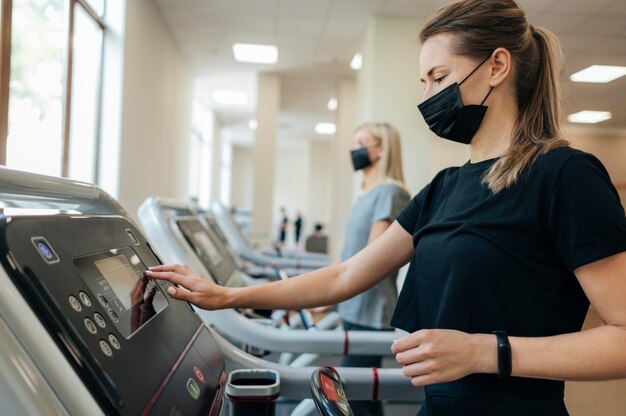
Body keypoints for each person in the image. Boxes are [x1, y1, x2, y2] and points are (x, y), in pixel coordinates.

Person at [146, 1, 626, 415]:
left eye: (439, 77)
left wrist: (487, 351)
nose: (426, 97)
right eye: (424, 81)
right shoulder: (444, 187)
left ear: (497, 67)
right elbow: (343, 277)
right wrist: (226, 297)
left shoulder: (565, 176)